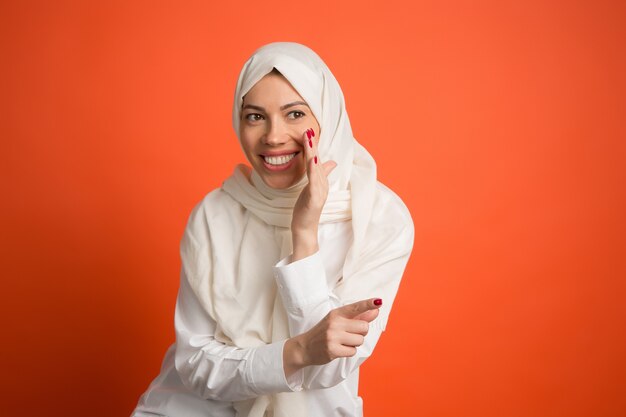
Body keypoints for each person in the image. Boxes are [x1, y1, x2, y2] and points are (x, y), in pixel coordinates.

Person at [132, 42, 414, 417]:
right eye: (255, 116)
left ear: (326, 116)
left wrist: (304, 234)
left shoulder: (378, 216)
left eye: (295, 113)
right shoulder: (214, 214)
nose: (273, 136)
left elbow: (328, 368)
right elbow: (195, 364)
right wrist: (294, 353)